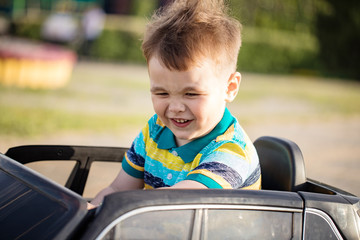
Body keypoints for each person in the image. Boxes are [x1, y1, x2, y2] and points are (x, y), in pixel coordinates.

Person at [89, 0, 261, 208]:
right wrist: (89, 216)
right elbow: (117, 190)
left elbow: (171, 206)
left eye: (191, 93)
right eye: (162, 92)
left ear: (230, 88)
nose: (175, 107)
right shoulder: (155, 130)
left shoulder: (232, 153)